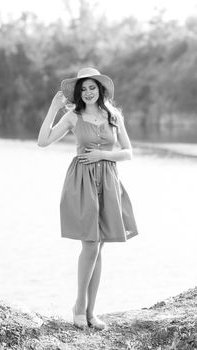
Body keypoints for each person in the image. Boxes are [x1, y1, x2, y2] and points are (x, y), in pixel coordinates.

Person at [38, 67, 138, 330]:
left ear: (101, 89)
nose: (88, 92)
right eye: (83, 89)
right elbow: (43, 141)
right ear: (79, 93)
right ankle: (79, 306)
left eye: (92, 87)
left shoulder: (114, 116)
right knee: (91, 244)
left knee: (99, 246)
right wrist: (53, 108)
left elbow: (128, 153)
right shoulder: (74, 117)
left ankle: (91, 312)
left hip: (108, 180)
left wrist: (103, 155)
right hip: (82, 182)